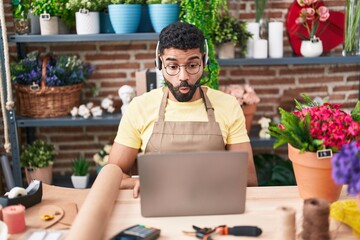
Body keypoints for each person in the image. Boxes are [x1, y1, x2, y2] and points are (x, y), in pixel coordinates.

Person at [109, 22, 258, 198]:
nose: (183, 77)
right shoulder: (140, 107)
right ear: (159, 63)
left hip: (214, 206)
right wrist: (137, 182)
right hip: (157, 205)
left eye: (192, 65)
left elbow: (249, 180)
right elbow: (111, 177)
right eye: (172, 67)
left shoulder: (228, 105)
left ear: (204, 61)